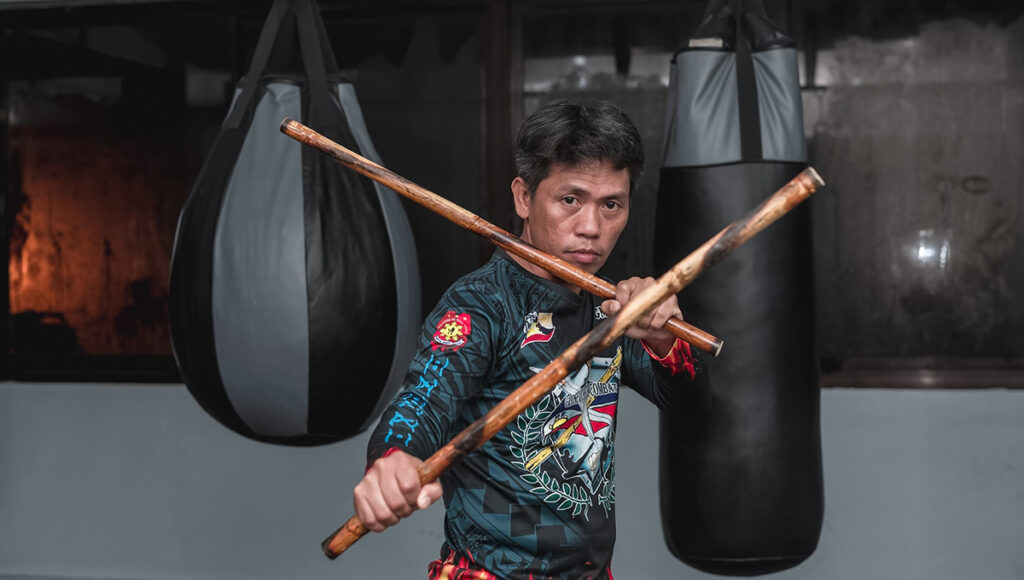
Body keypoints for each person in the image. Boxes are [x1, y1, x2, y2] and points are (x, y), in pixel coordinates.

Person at [355, 100, 706, 579]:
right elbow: (423, 401)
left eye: (611, 205)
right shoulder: (481, 305)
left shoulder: (611, 310)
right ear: (524, 197)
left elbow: (692, 405)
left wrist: (663, 339)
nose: (591, 228)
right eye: (570, 200)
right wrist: (392, 461)